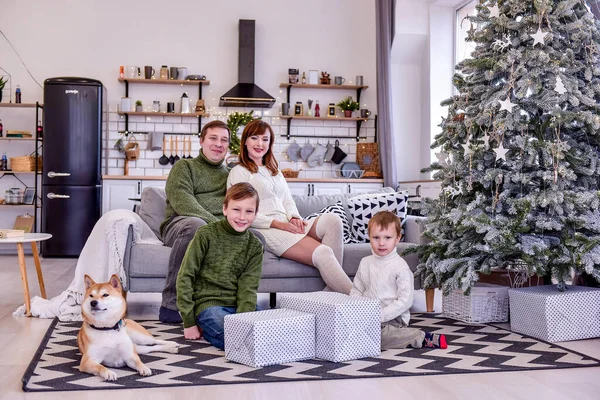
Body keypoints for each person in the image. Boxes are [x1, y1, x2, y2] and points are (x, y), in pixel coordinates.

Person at [227, 120, 352, 294]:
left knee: (333, 220)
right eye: (254, 138)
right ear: (245, 141)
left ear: (270, 143)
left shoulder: (274, 170)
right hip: (268, 229)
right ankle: (361, 301)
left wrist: (294, 217)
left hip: (287, 223)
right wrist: (279, 225)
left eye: (265, 139)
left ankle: (331, 292)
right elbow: (242, 213)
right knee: (323, 253)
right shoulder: (239, 172)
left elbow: (287, 199)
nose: (259, 144)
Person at [159, 120, 231, 323]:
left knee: (255, 237)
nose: (219, 144)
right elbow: (184, 203)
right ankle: (170, 305)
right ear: (201, 141)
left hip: (218, 229)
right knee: (196, 225)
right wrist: (218, 228)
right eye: (213, 138)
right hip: (181, 225)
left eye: (224, 140)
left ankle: (229, 304)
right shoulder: (184, 167)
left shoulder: (232, 174)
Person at [176, 182, 263, 349]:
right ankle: (245, 345)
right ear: (225, 209)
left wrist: (243, 322)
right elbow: (185, 275)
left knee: (270, 326)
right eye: (236, 209)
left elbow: (248, 288)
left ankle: (253, 343)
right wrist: (188, 322)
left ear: (256, 214)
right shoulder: (206, 234)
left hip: (238, 305)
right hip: (209, 305)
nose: (242, 217)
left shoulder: (255, 246)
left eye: (249, 211)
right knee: (231, 336)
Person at [351, 211, 448, 350]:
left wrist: (380, 315)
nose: (381, 243)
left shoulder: (400, 266)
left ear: (397, 238)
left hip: (393, 318)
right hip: (367, 315)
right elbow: (357, 290)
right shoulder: (365, 262)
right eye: (376, 237)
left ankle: (420, 337)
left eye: (388, 238)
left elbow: (405, 301)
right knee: (349, 331)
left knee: (378, 336)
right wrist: (358, 311)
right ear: (369, 238)